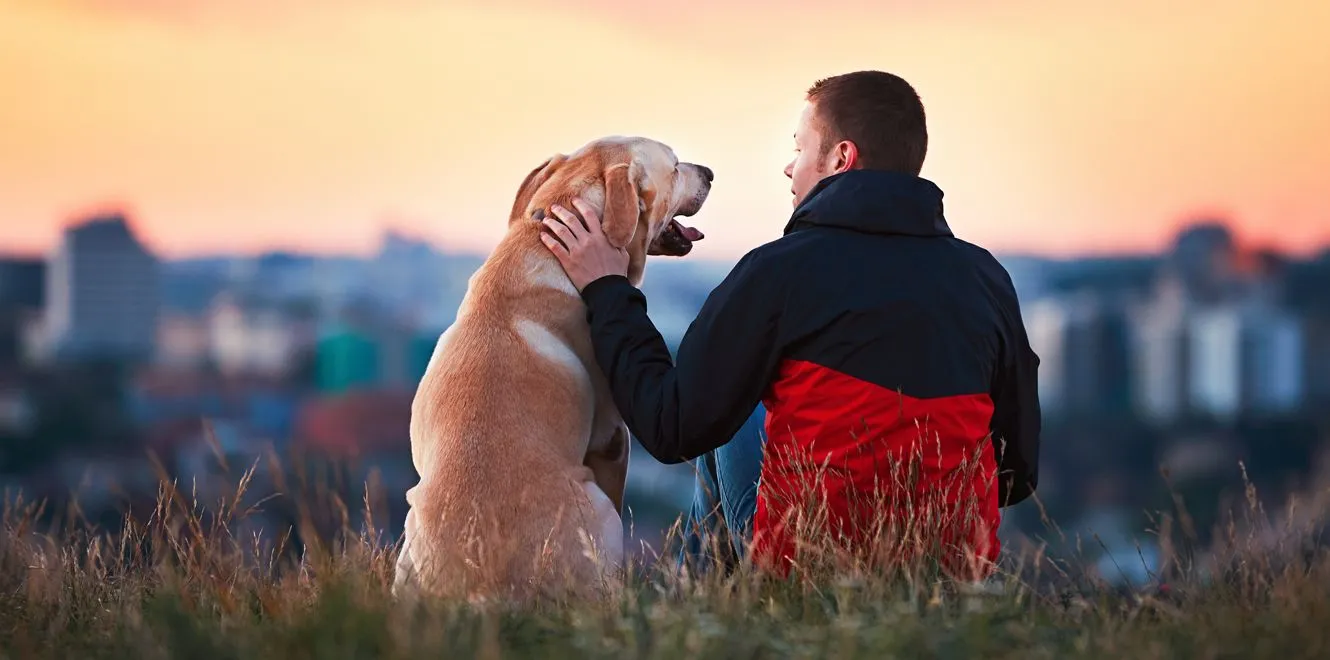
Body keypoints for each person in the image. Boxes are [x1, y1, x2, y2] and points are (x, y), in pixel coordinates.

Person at [538, 70, 1041, 581]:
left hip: (811, 567)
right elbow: (1016, 473)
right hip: (953, 575)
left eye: (800, 148)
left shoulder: (778, 271)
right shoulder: (986, 280)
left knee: (726, 415)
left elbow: (670, 427)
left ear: (841, 159)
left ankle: (700, 616)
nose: (788, 167)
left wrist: (607, 288)